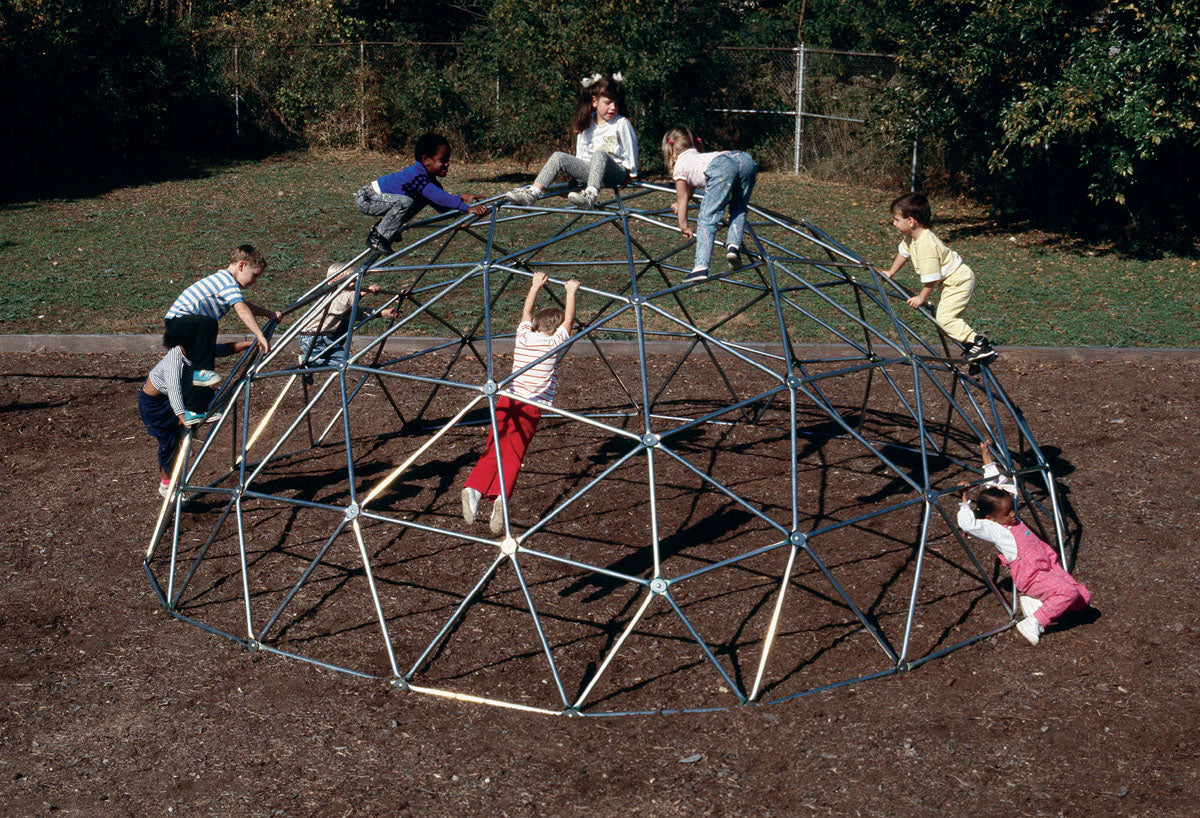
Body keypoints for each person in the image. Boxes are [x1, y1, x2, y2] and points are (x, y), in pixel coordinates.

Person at [461, 272, 580, 534]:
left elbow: (526, 313)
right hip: (529, 408)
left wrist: (535, 285)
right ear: (554, 328)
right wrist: (571, 292)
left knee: (494, 447)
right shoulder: (553, 343)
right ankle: (500, 497)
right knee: (513, 454)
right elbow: (569, 321)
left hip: (506, 401)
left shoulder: (523, 337)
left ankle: (474, 488)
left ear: (536, 324)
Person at [956, 442, 1091, 645]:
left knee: (1082, 596)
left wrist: (986, 455)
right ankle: (1034, 622)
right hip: (1032, 576)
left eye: (1012, 509)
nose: (1013, 514)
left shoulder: (1007, 514)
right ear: (991, 518)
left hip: (1048, 565)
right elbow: (968, 524)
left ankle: (1039, 603)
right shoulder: (997, 530)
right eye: (1007, 513)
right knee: (1068, 593)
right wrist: (964, 500)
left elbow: (995, 483)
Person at [879, 193, 997, 364]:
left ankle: (980, 344)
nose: (894, 223)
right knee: (945, 324)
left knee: (945, 320)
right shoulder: (912, 238)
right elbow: (903, 253)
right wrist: (890, 272)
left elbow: (931, 280)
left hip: (959, 281)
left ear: (911, 221)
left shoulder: (926, 245)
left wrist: (921, 298)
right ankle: (976, 353)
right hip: (952, 281)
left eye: (897, 219)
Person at [162, 244, 280, 412]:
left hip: (187, 327)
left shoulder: (227, 285)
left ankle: (195, 409)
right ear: (241, 265)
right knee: (209, 325)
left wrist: (269, 314)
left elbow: (245, 305)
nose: (254, 281)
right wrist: (259, 335)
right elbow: (241, 308)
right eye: (254, 275)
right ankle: (203, 376)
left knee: (200, 358)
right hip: (178, 322)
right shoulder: (226, 281)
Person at [505, 73, 638, 210]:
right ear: (594, 101)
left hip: (615, 172)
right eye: (608, 103)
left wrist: (631, 174)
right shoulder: (587, 122)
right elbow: (581, 151)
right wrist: (574, 176)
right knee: (558, 156)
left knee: (599, 154)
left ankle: (590, 195)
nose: (613, 107)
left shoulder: (621, 123)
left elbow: (630, 146)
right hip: (591, 172)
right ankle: (533, 193)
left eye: (616, 103)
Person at [139, 340, 253, 497]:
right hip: (156, 405)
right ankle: (166, 485)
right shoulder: (174, 360)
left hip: (180, 395)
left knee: (209, 395)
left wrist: (249, 344)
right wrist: (184, 418)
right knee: (168, 444)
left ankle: (183, 431)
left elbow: (223, 349)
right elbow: (174, 394)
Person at [355, 132, 488, 255]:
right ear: (426, 160)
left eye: (448, 160)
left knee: (419, 200)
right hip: (367, 198)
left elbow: (441, 206)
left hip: (380, 199)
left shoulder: (429, 182)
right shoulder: (416, 176)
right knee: (406, 202)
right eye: (443, 160)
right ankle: (377, 236)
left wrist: (460, 200)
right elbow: (439, 197)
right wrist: (467, 208)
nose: (447, 164)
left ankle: (386, 229)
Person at [661, 126, 758, 282]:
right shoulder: (699, 158)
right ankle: (733, 247)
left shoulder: (680, 164)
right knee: (738, 208)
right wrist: (678, 204)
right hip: (744, 160)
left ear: (670, 149)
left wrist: (683, 225)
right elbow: (689, 189)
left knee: (707, 218)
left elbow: (682, 197)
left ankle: (701, 266)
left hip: (723, 165)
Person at [296, 263, 398, 379]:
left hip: (324, 337)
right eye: (349, 281)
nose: (353, 284)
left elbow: (358, 312)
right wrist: (365, 291)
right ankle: (310, 361)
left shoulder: (344, 300)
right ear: (334, 281)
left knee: (346, 359)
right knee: (346, 361)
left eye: (354, 281)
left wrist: (383, 312)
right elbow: (343, 302)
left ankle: (311, 363)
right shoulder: (330, 296)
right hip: (312, 338)